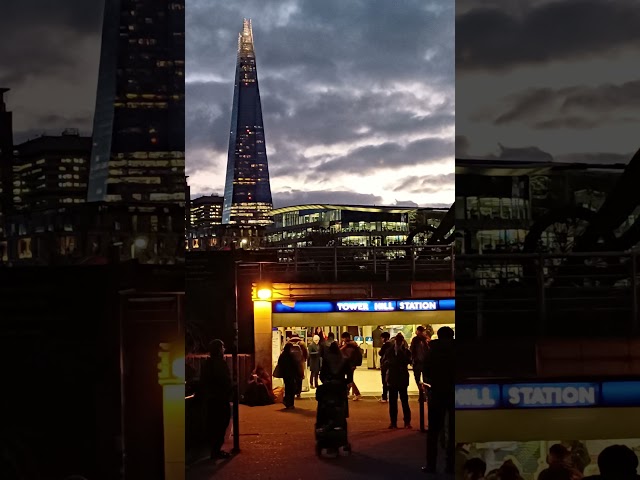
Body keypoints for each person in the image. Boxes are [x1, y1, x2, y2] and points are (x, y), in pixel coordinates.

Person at [422, 326, 455, 476]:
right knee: (453, 431)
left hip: (436, 393)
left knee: (434, 431)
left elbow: (426, 370)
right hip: (454, 393)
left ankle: (431, 465)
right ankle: (450, 465)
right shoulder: (456, 351)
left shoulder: (432, 351)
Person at [200, 339, 232, 460]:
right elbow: (224, 380)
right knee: (221, 422)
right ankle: (216, 450)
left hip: (211, 399)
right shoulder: (220, 363)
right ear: (219, 350)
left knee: (213, 424)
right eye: (222, 348)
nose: (224, 350)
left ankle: (214, 450)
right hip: (220, 398)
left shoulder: (207, 363)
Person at [383, 331, 412, 429]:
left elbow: (408, 361)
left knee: (402, 401)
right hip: (395, 377)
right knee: (395, 401)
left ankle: (404, 422)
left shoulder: (405, 351)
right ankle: (395, 422)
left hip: (399, 377)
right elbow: (385, 362)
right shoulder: (391, 350)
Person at [340, 332, 362, 401]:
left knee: (350, 380)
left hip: (350, 364)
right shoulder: (352, 344)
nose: (342, 339)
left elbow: (346, 354)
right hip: (351, 364)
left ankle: (357, 393)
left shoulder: (349, 345)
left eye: (343, 338)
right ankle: (347, 393)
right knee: (349, 379)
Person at [277, 342, 300, 409]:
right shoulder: (291, 355)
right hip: (291, 374)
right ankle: (290, 403)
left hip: (285, 374)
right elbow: (295, 365)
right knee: (291, 388)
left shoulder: (283, 355)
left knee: (287, 387)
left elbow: (279, 363)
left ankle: (288, 402)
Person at [287, 332, 309, 398]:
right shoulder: (302, 343)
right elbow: (306, 354)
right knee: (299, 378)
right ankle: (298, 392)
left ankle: (292, 392)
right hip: (300, 363)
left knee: (292, 378)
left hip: (291, 364)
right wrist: (303, 360)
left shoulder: (288, 343)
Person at [378, 331, 392, 403]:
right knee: (389, 380)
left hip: (385, 365)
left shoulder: (385, 345)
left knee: (384, 381)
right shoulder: (392, 344)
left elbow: (380, 353)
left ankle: (384, 397)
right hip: (390, 365)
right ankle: (388, 396)